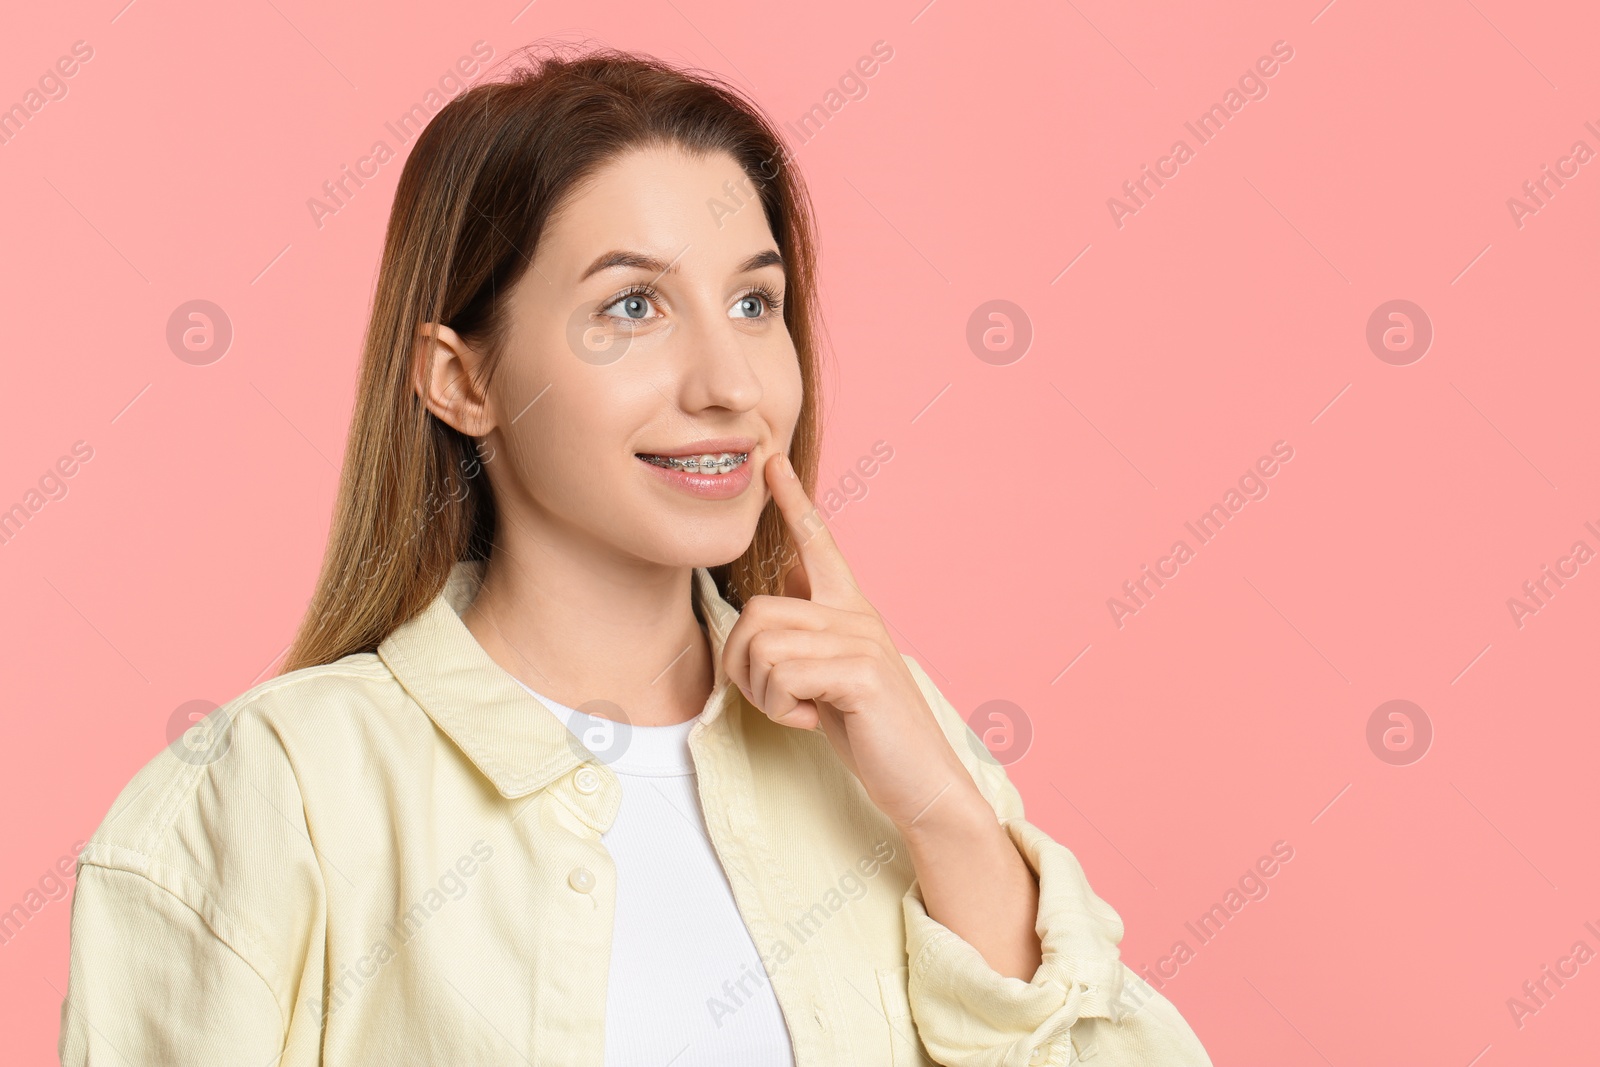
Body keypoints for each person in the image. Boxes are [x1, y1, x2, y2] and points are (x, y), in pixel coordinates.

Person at [58, 44, 1212, 1066]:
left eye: (755, 305)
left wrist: (949, 818)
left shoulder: (895, 743)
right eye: (631, 308)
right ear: (460, 379)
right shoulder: (276, 790)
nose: (726, 385)